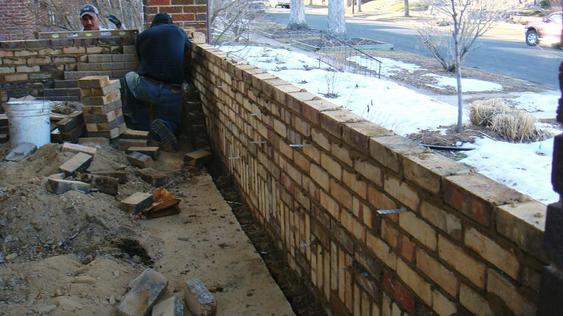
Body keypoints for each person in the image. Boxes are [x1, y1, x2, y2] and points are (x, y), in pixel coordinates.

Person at [122, 13, 191, 151]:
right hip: (173, 91)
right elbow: (187, 52)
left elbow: (140, 59)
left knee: (128, 77)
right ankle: (167, 126)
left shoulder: (144, 35)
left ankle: (138, 125)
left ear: (153, 24)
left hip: (147, 86)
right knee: (172, 119)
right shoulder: (179, 32)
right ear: (171, 23)